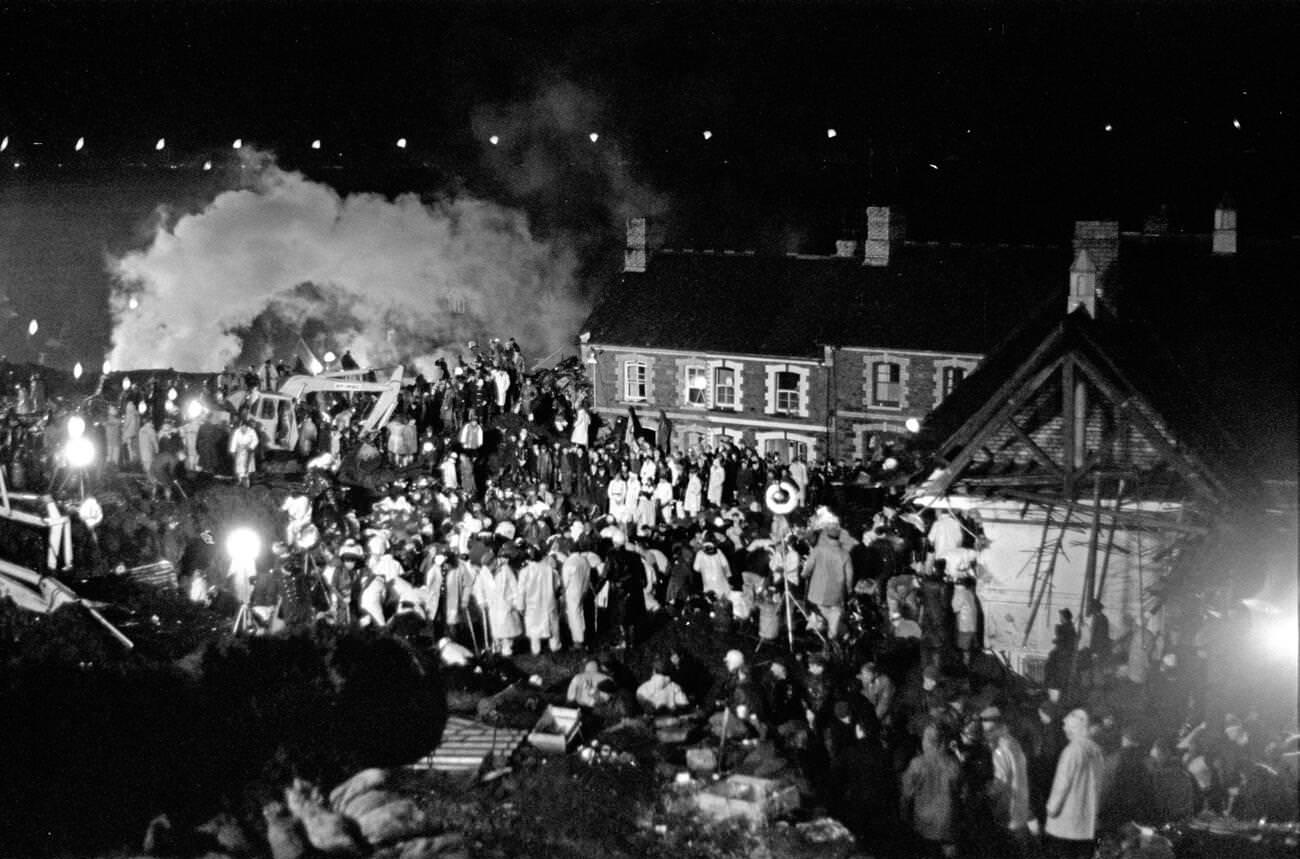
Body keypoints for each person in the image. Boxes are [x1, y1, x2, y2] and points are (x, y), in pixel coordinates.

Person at [1045, 708, 1104, 858]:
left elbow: (1062, 784)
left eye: (1067, 727)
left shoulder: (1072, 751)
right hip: (1087, 820)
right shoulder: (1095, 750)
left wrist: (1052, 808)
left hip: (1067, 822)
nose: (1065, 730)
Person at [900, 722, 963, 857]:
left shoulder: (917, 764)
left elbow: (906, 795)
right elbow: (963, 795)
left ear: (928, 741)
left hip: (924, 829)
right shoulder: (954, 764)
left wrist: (904, 819)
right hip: (948, 828)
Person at [982, 705, 1032, 853]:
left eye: (987, 730)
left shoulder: (999, 750)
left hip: (1008, 809)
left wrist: (985, 792)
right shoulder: (1013, 742)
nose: (985, 735)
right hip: (1020, 804)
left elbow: (1000, 782)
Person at [804, 520, 853, 641]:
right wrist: (849, 589)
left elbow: (808, 568)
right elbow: (850, 575)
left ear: (826, 536)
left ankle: (833, 634)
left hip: (818, 593)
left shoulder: (818, 550)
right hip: (836, 593)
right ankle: (839, 633)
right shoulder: (845, 554)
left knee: (823, 611)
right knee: (834, 612)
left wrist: (804, 574)